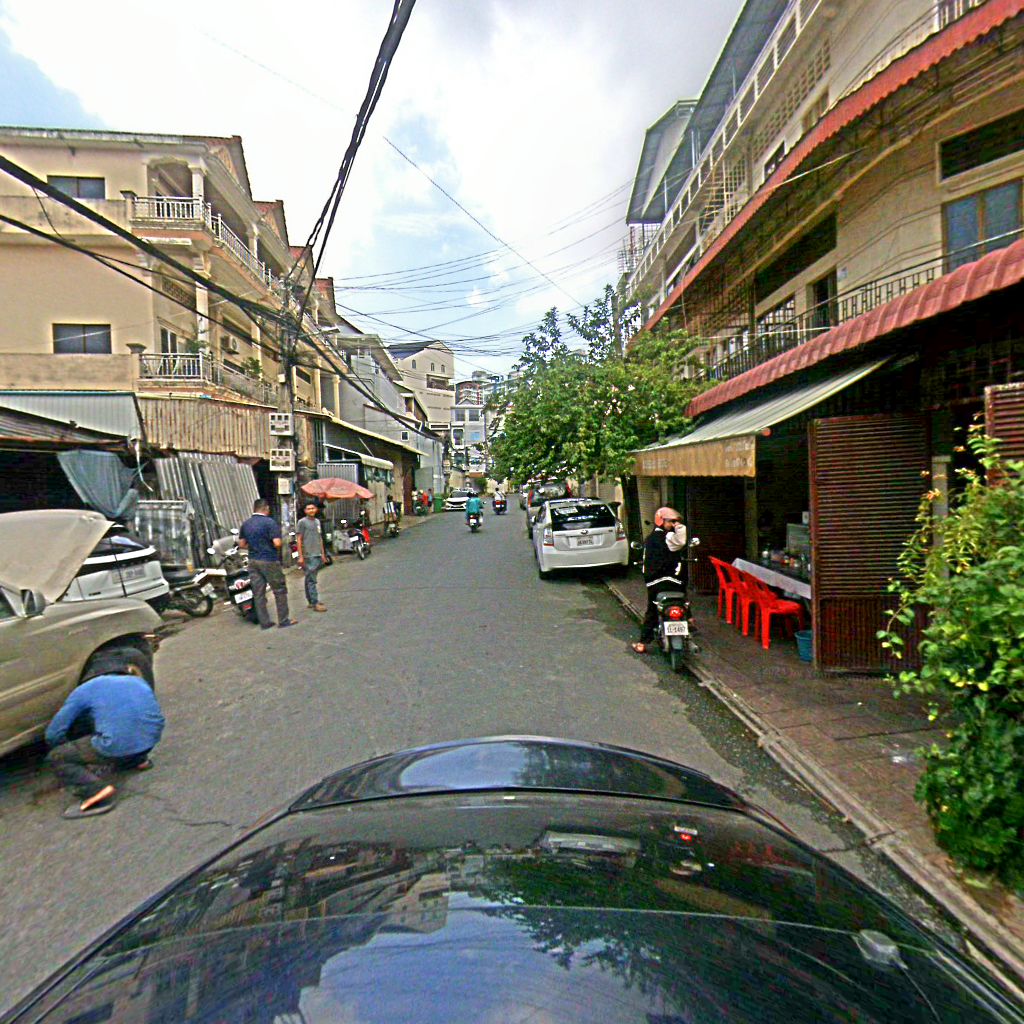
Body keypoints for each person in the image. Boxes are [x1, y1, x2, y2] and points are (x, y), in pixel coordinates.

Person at [45, 664, 165, 818]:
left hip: (118, 744)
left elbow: (53, 733)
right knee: (124, 724)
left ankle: (96, 791)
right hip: (151, 739)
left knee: (57, 756)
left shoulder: (85, 689)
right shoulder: (138, 681)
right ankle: (137, 760)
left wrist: (67, 747)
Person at [631, 506, 688, 654]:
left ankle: (642, 643)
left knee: (652, 610)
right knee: (683, 601)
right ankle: (690, 620)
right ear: (661, 521)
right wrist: (679, 527)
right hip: (675, 582)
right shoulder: (669, 537)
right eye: (671, 521)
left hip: (655, 583)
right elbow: (681, 541)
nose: (673, 524)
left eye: (675, 522)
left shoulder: (651, 539)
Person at [239, 498, 296, 629]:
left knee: (258, 593)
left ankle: (265, 622)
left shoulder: (246, 524)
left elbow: (241, 544)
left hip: (253, 561)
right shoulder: (270, 522)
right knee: (279, 590)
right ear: (266, 508)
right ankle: (283, 620)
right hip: (269, 559)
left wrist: (255, 547)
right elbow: (277, 543)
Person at [296, 501, 327, 612]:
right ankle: (315, 603)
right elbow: (299, 539)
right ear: (305, 511)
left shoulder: (317, 522)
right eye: (308, 509)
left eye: (313, 508)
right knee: (312, 580)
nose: (311, 510)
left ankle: (310, 600)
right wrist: (300, 556)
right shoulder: (302, 522)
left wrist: (323, 554)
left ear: (316, 509)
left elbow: (320, 538)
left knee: (309, 577)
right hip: (308, 555)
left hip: (317, 553)